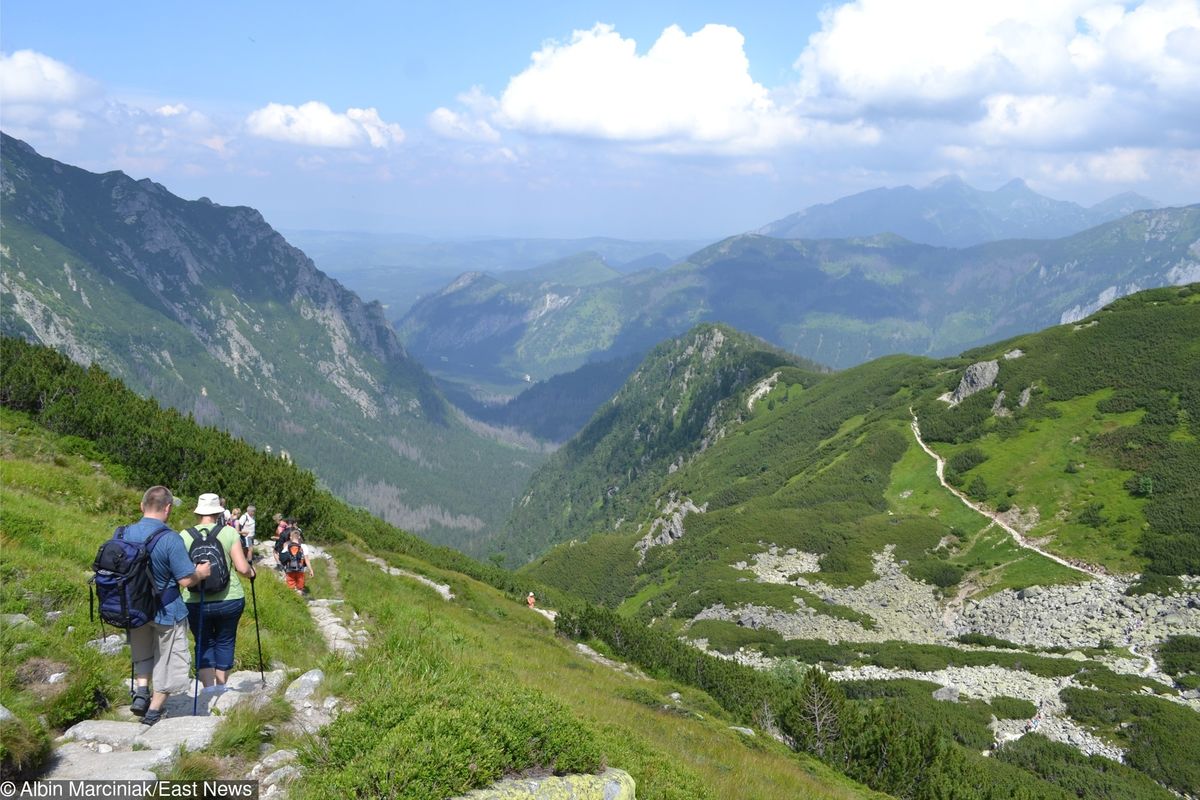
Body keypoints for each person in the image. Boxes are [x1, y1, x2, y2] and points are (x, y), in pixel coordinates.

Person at [125, 486, 212, 726]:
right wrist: (201, 573)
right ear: (168, 508)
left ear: (142, 506)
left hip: (134, 608)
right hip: (167, 609)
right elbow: (185, 579)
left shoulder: (123, 533)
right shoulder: (170, 538)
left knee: (142, 653)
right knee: (169, 658)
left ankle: (142, 690)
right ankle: (154, 710)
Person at [181, 493, 256, 691]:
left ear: (198, 513)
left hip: (195, 599)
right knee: (225, 640)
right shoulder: (229, 533)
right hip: (229, 598)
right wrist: (252, 572)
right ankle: (222, 688)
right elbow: (242, 568)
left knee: (203, 641)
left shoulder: (184, 535)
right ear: (218, 512)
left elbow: (180, 572)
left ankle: (207, 690)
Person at [280, 529, 313, 593]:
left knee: (290, 587)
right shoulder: (303, 546)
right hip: (300, 570)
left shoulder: (287, 547)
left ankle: (292, 599)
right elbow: (307, 560)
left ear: (290, 537)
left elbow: (282, 557)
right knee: (300, 587)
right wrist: (311, 569)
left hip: (289, 570)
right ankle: (300, 597)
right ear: (299, 537)